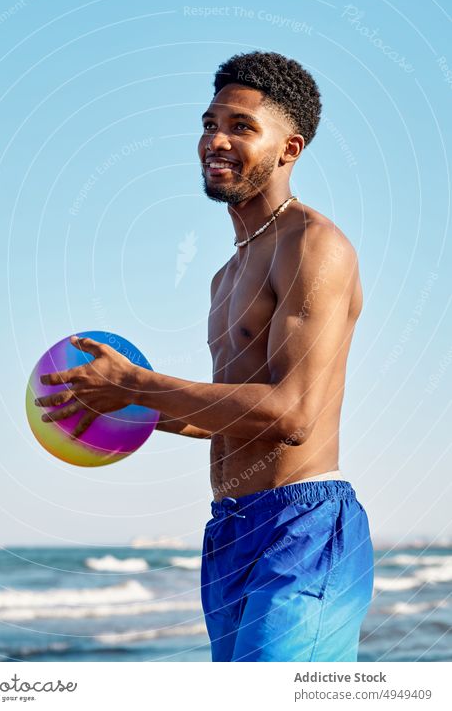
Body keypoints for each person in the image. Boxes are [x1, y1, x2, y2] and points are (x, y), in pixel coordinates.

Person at [35, 50, 374, 662]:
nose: (215, 139)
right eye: (209, 123)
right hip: (228, 532)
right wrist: (120, 406)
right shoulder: (226, 275)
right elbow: (229, 413)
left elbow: (290, 414)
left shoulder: (312, 245)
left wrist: (137, 381)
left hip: (301, 527)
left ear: (289, 149)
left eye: (241, 127)